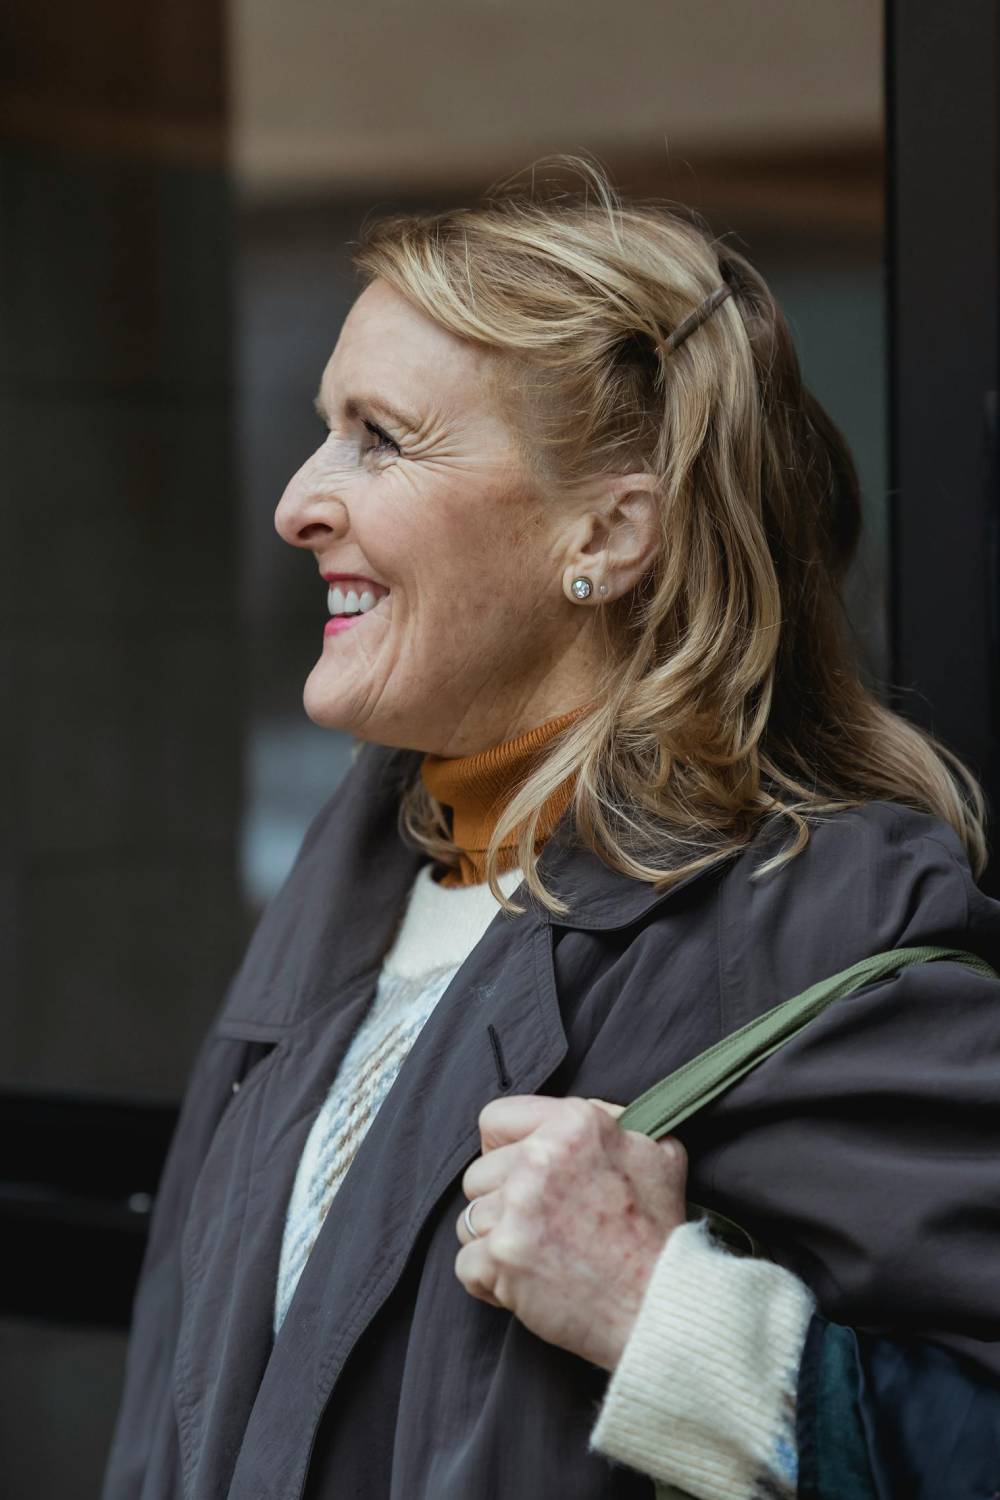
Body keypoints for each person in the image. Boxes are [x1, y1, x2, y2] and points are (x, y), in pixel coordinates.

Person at [103, 157, 1000, 1500]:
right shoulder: (365, 874)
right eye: (321, 427)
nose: (296, 501)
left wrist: (667, 1314)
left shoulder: (830, 923)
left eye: (379, 437)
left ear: (610, 530)